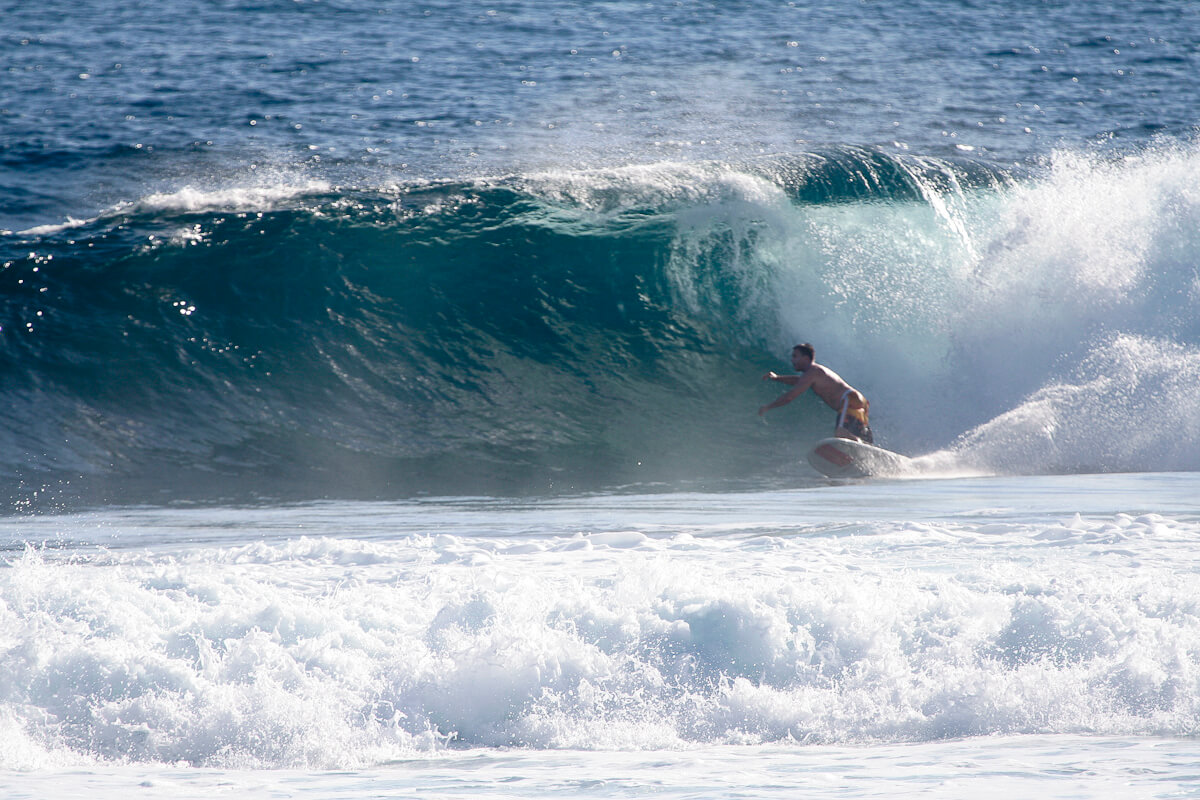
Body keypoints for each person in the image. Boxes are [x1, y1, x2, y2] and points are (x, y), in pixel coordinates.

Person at [758, 343, 874, 443]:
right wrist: (777, 378)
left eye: (795, 356)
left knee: (840, 433)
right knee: (854, 439)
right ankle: (866, 449)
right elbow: (799, 381)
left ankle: (861, 444)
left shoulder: (813, 371)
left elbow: (789, 397)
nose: (792, 360)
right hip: (857, 403)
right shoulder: (814, 374)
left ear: (806, 358)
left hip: (849, 400)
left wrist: (768, 407)